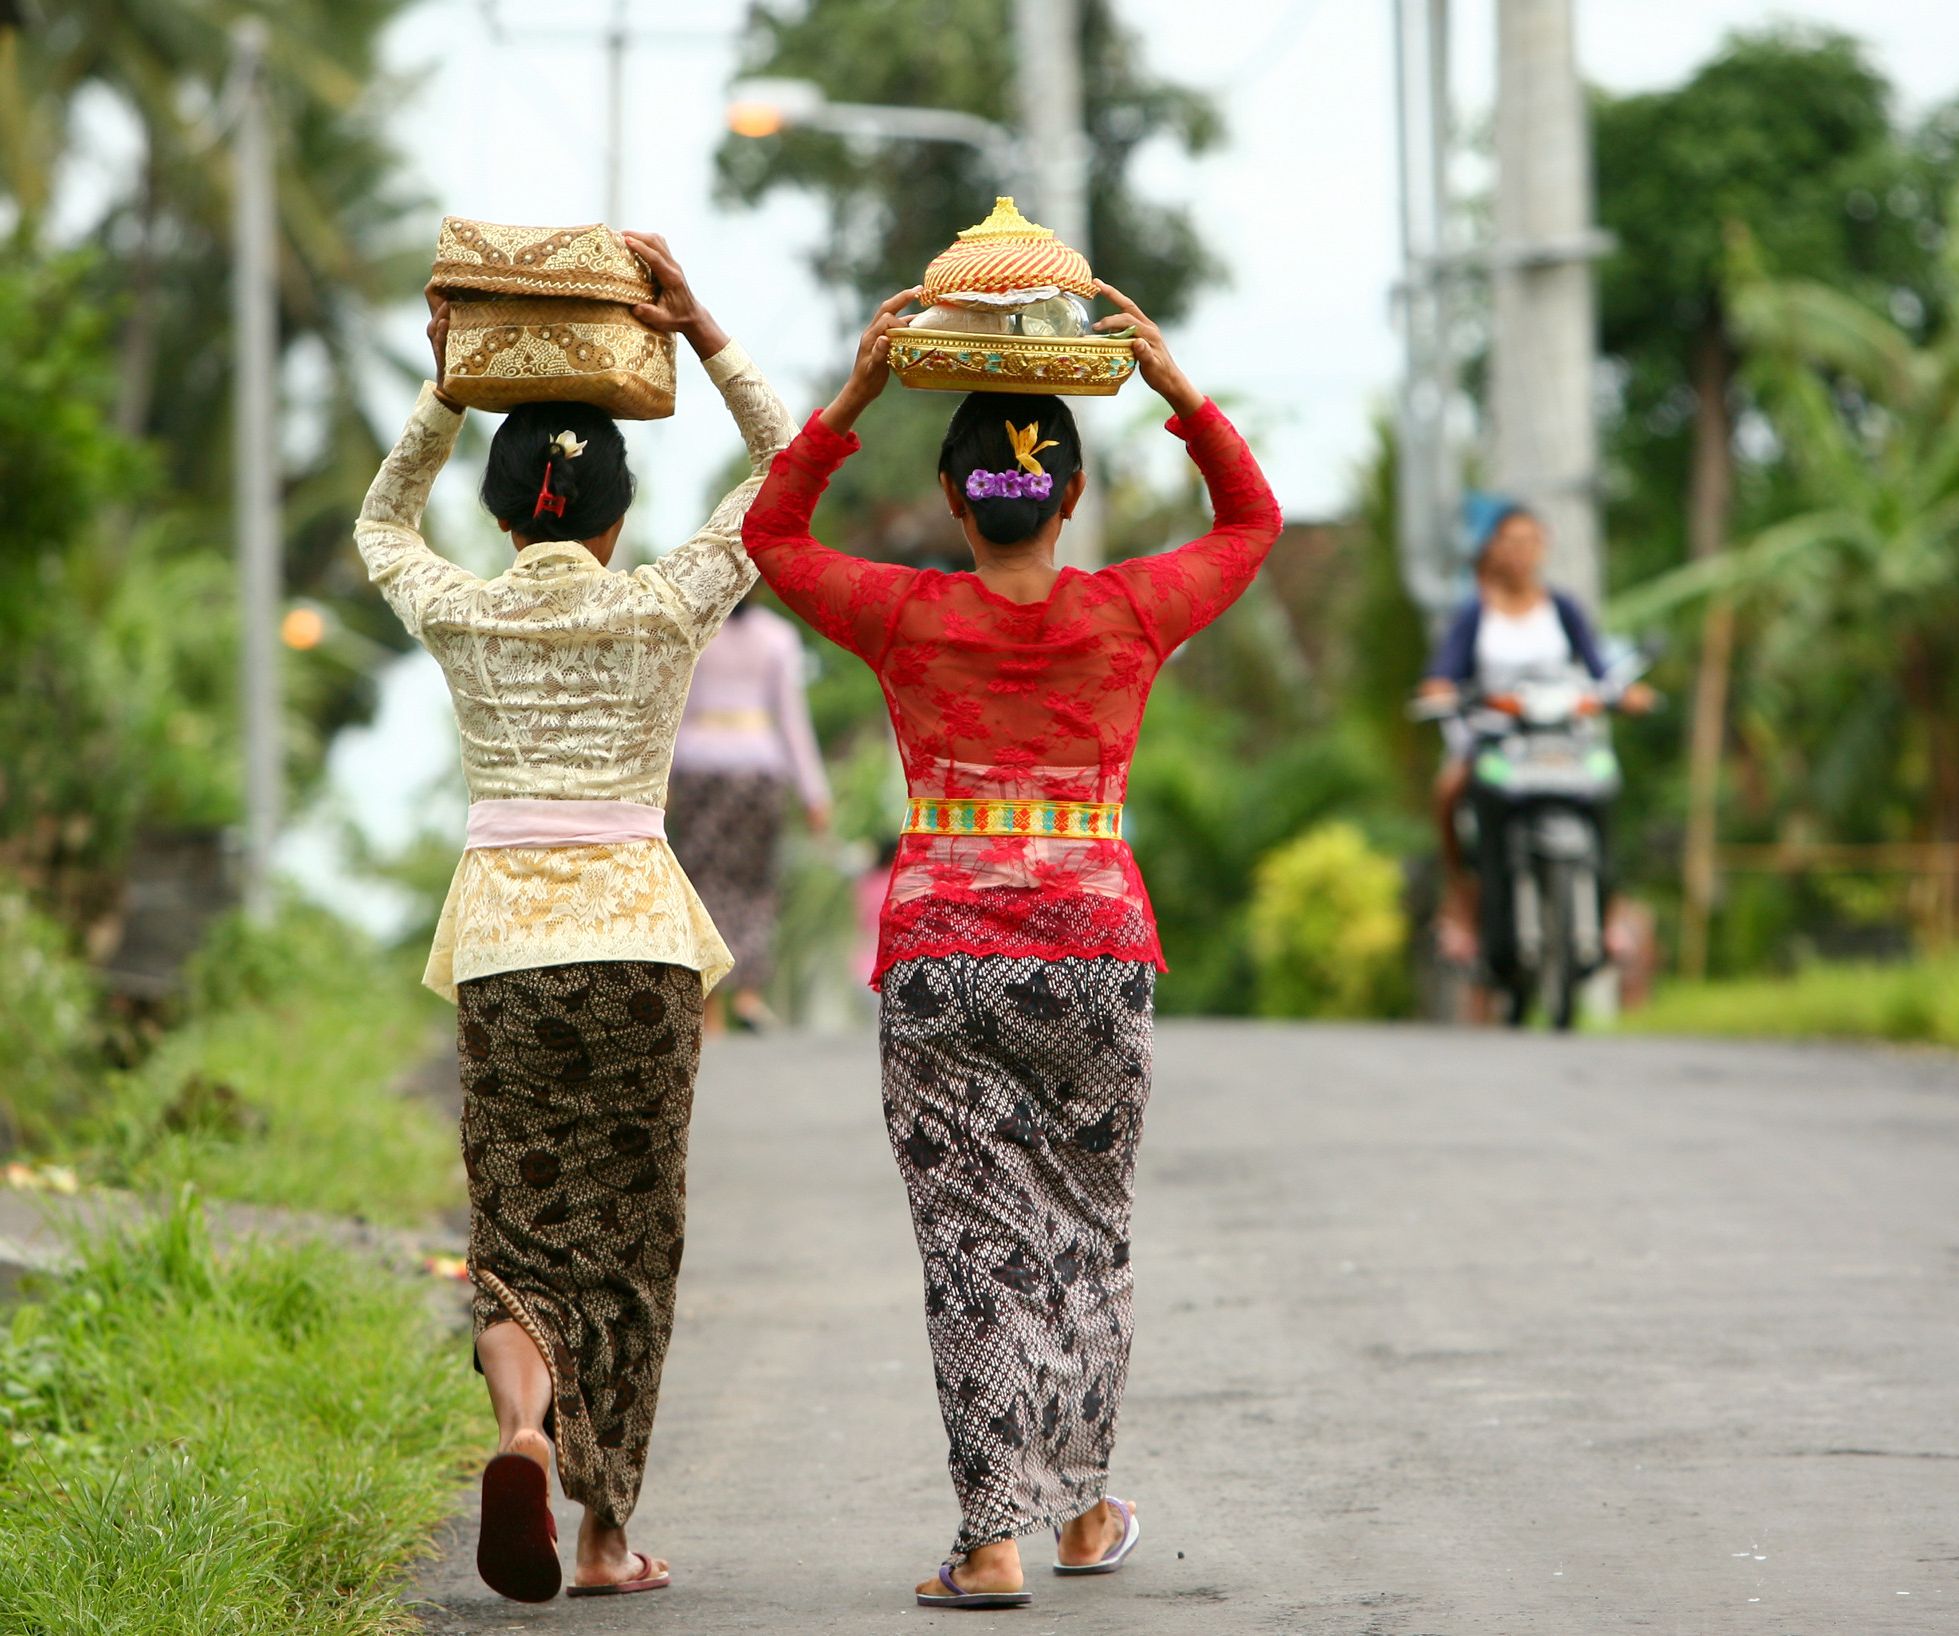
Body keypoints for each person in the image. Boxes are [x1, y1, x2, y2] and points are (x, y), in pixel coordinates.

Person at [743, 282, 1281, 1610]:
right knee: (1087, 1235)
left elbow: (768, 534)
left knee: (973, 1253)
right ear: (1070, 492)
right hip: (1096, 954)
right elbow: (1253, 519)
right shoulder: (1131, 611)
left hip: (939, 960)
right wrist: (1172, 386)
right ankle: (1086, 1515)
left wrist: (857, 395)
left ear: (950, 496)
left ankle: (992, 1540)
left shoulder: (904, 613)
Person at [355, 234, 787, 1603]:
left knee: (522, 1236)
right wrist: (706, 333)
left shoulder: (467, 613)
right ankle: (605, 1538)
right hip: (643, 952)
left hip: (503, 953)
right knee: (633, 1240)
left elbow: (376, 528)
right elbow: (784, 478)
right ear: (614, 517)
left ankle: (524, 1430)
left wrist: (446, 387)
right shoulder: (665, 605)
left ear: (500, 516)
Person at [1416, 502, 1654, 992]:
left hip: (1562, 741)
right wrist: (1441, 690)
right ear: (1493, 550)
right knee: (1449, 792)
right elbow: (1443, 673)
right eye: (1511, 541)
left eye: (1531, 541)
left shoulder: (1561, 609)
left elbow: (1598, 667)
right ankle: (1462, 906)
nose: (1521, 552)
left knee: (1608, 787)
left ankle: (1608, 912)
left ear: (1543, 547)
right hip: (1496, 740)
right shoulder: (1475, 615)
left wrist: (1623, 692)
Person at [668, 596, 832, 1033]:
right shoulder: (778, 636)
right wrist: (814, 792)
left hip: (700, 768)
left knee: (701, 879)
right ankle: (749, 992)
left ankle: (712, 1005)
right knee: (756, 880)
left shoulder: (697, 630)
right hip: (759, 767)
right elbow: (792, 720)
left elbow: (678, 709)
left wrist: (659, 781)